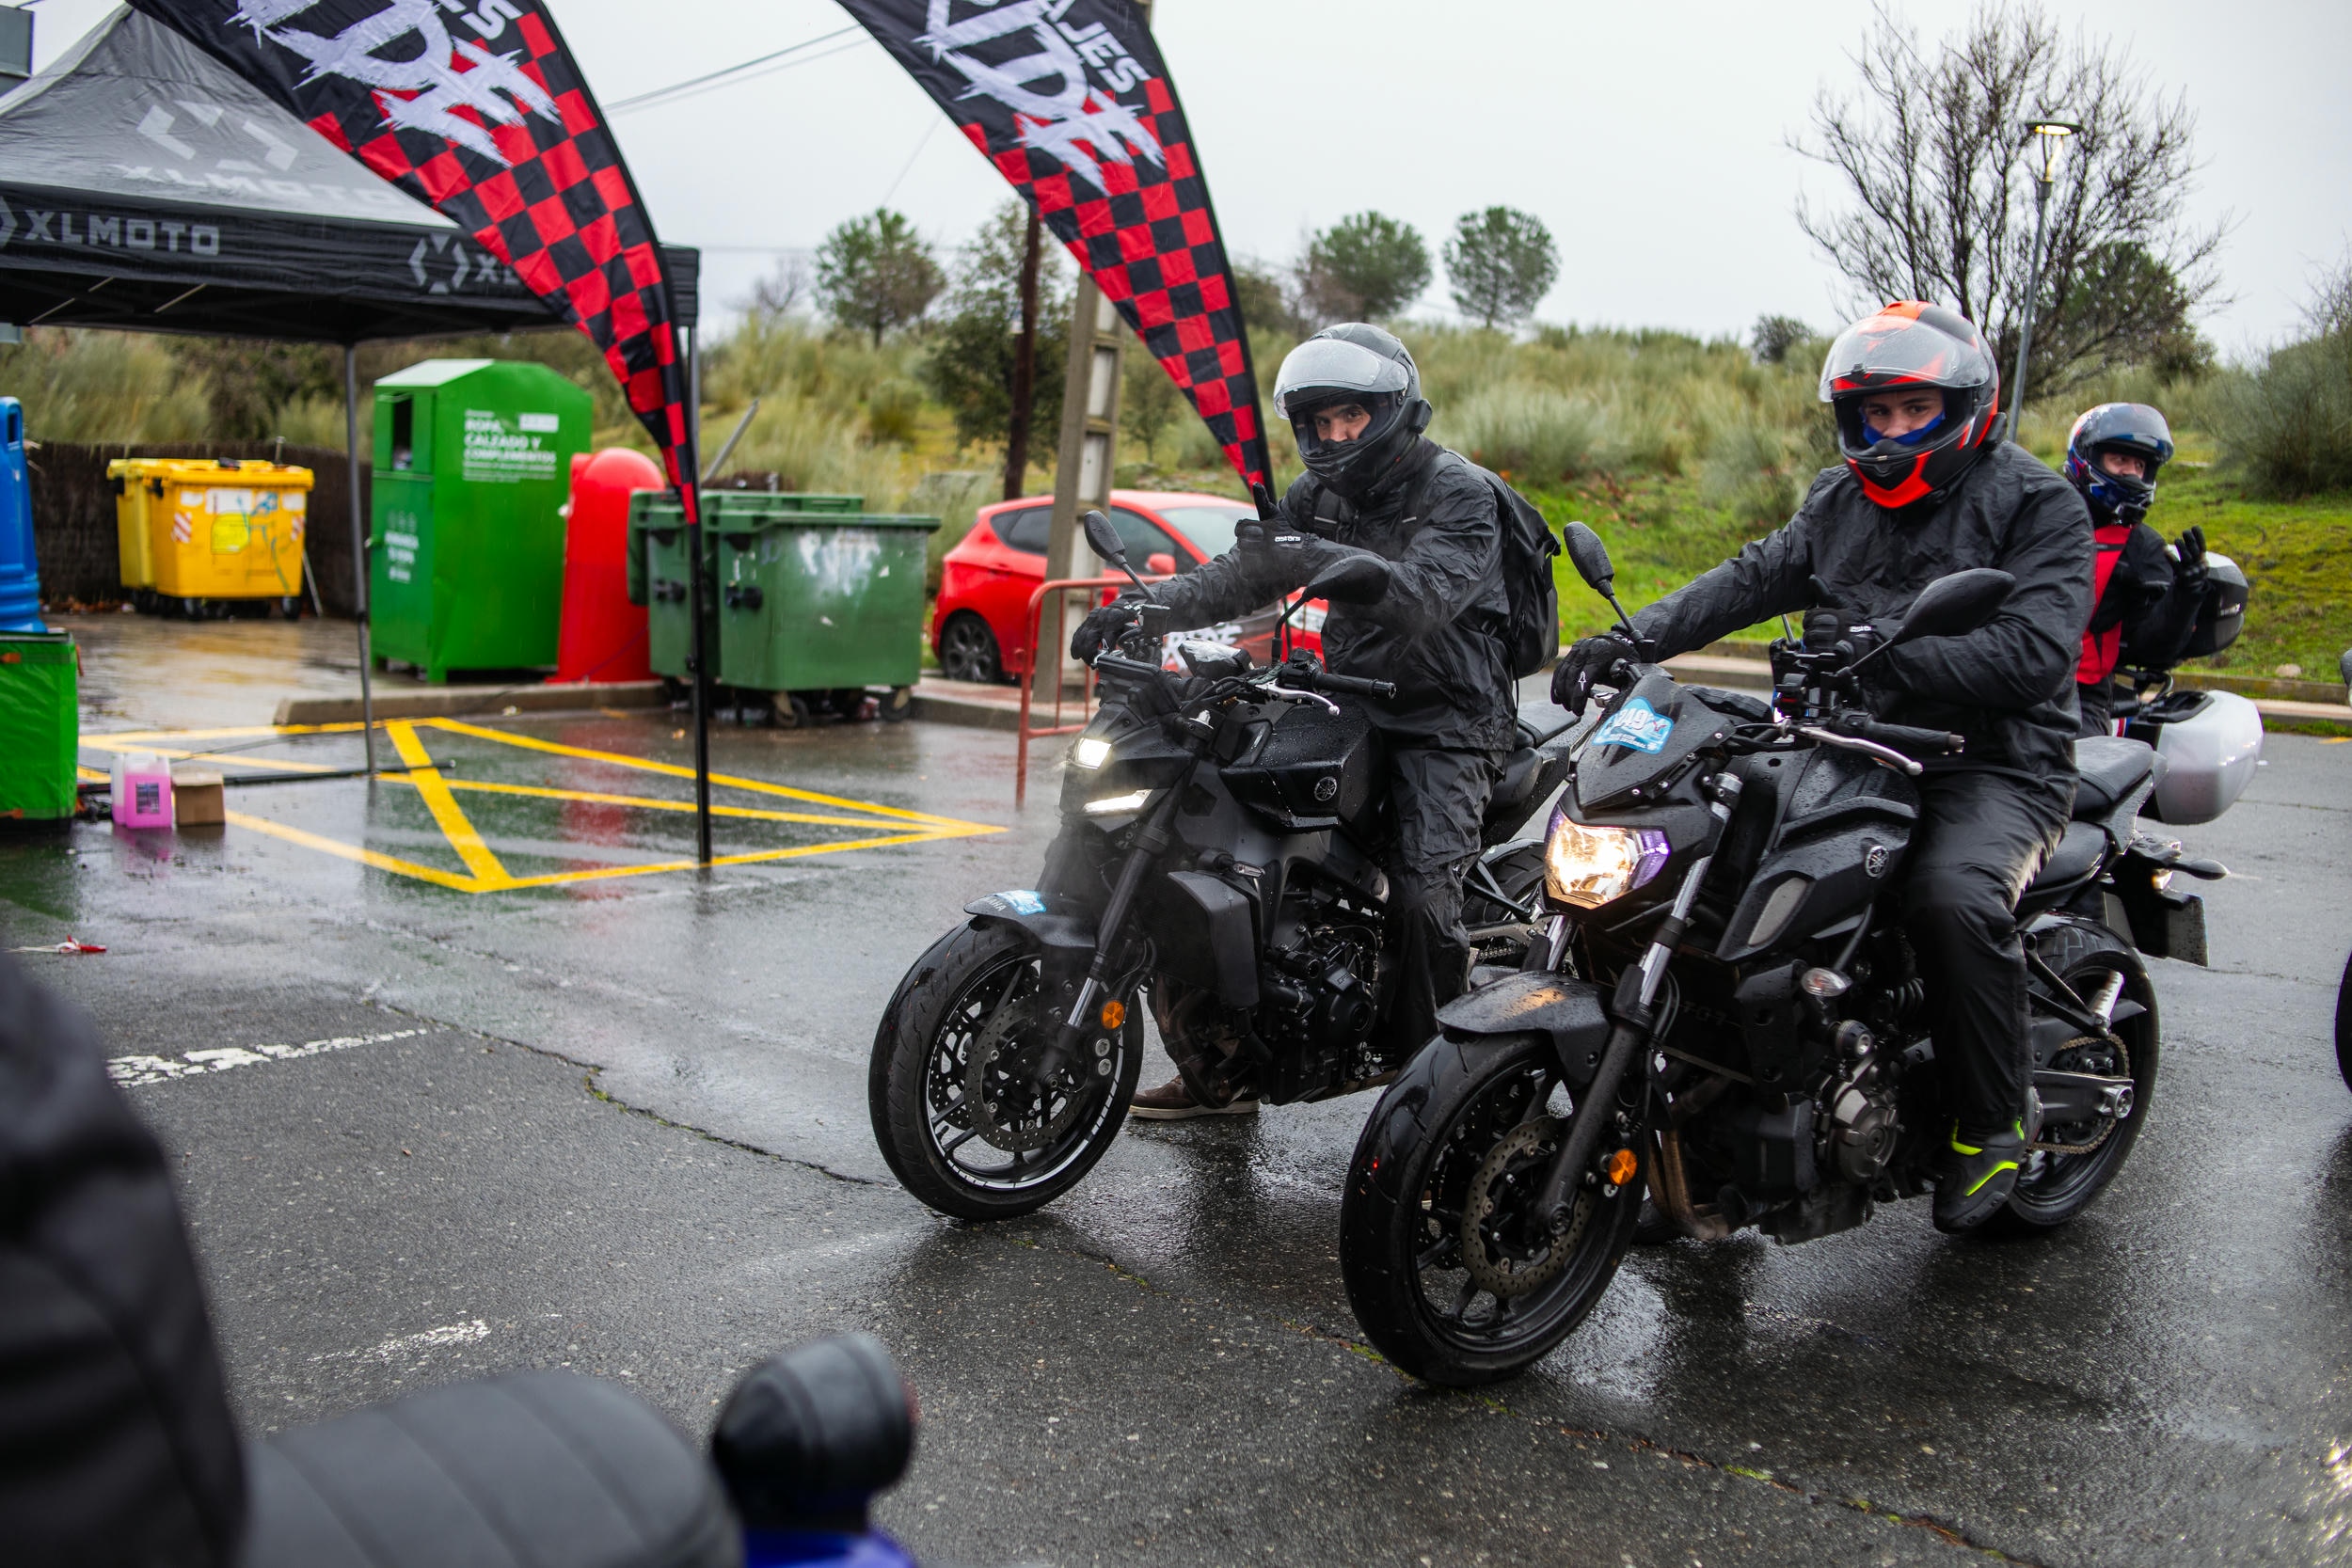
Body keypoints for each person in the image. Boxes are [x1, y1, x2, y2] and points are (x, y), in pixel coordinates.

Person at [1551, 300, 2094, 1233]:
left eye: (1913, 410)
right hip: (1848, 742)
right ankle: (1700, 1146)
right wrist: (1631, 639)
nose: (1889, 433)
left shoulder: (2036, 503)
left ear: (1964, 407)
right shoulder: (1837, 500)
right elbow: (1750, 575)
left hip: (1994, 765)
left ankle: (1992, 1121)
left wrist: (1884, 649)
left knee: (1949, 896)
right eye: (1873, 413)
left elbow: (2032, 654)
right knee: (1715, 878)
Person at [1070, 324, 1515, 1120]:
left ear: (1392, 410)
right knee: (1199, 841)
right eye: (1320, 420)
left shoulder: (1459, 492)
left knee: (1422, 896)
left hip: (1446, 720)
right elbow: (1243, 574)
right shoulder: (1317, 496)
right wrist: (1147, 605)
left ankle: (1436, 1101)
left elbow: (1422, 597)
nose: (1335, 435)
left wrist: (1308, 556)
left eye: (1351, 416)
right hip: (1343, 696)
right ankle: (1221, 1068)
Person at [2061, 402, 2209, 735]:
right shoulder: (2037, 516)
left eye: (2139, 465)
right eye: (2120, 460)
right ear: (2087, 459)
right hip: (2007, 678)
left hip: (2080, 698)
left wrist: (2186, 593)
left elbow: (2153, 648)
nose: (2130, 473)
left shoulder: (2141, 548)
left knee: (2064, 765)